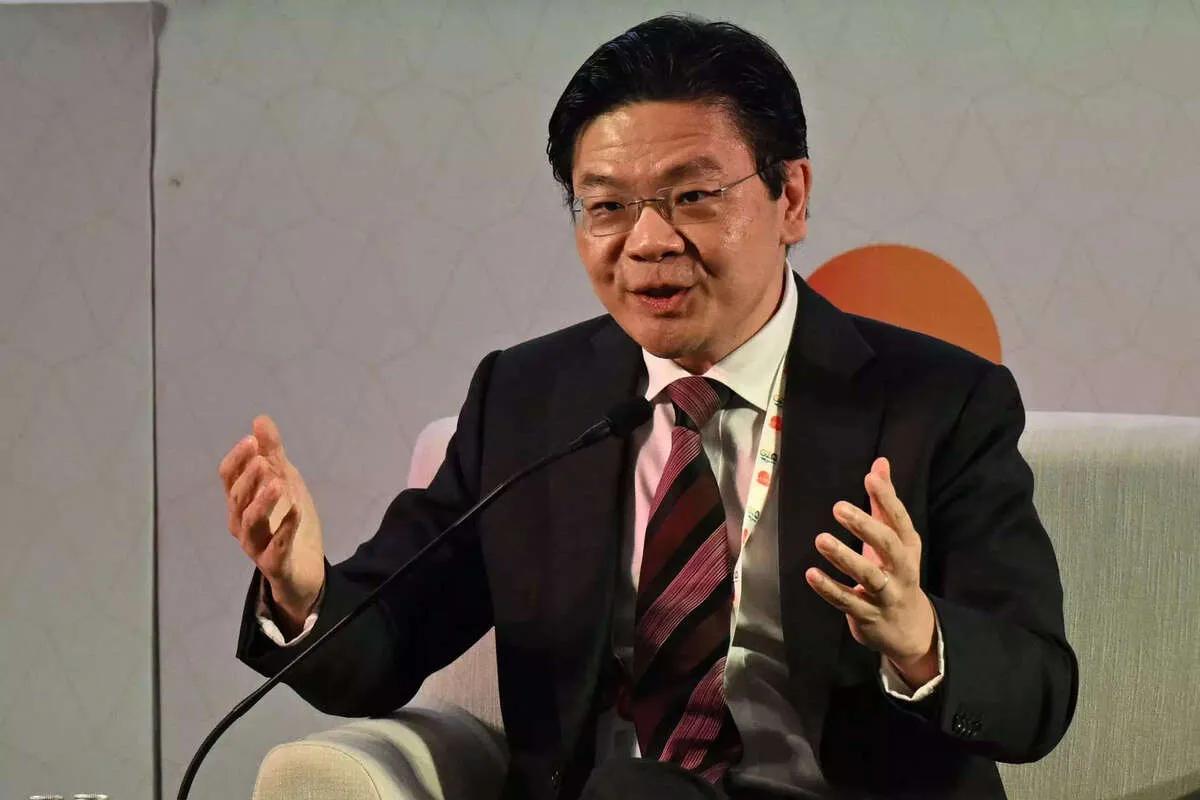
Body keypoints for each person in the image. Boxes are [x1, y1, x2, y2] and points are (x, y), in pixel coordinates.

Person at [218, 15, 1077, 800]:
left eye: (693, 196)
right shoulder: (529, 399)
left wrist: (918, 637)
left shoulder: (936, 402)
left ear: (790, 199)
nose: (648, 241)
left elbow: (1038, 693)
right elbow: (391, 642)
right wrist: (301, 590)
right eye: (606, 207)